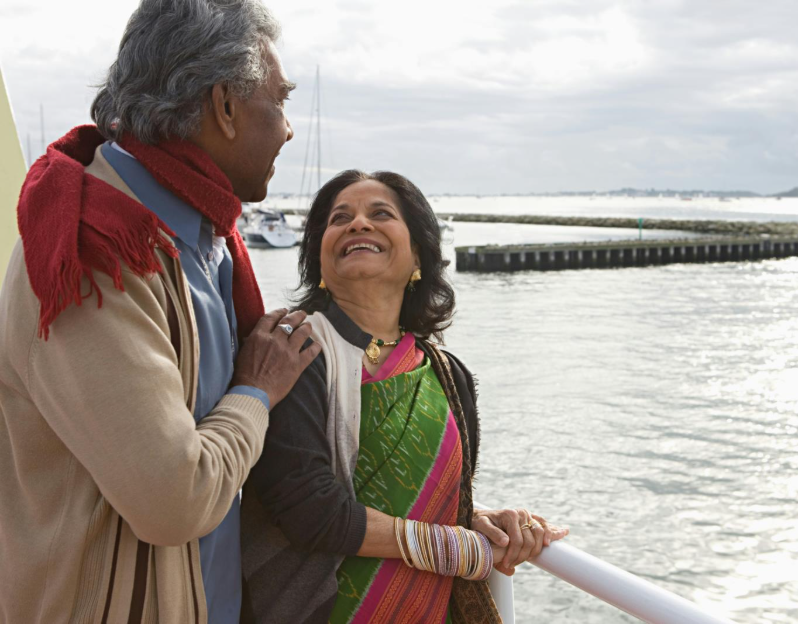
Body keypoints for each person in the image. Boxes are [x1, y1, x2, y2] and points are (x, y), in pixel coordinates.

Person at [0, 1, 319, 622]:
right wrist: (257, 390)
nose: (286, 129)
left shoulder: (209, 243)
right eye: (279, 102)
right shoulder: (94, 249)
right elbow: (173, 500)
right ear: (225, 106)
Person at [241, 170, 569, 623]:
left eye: (380, 214)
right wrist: (454, 546)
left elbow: (434, 501)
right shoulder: (294, 349)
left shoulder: (448, 375)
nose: (358, 224)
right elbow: (306, 508)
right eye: (340, 218)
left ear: (418, 253)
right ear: (319, 257)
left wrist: (482, 521)